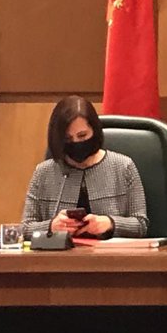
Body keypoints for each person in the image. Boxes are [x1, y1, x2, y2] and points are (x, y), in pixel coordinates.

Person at [20, 95, 149, 240]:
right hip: (60, 254)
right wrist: (51, 226)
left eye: (82, 136)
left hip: (109, 254)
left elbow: (141, 225)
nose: (76, 143)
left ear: (95, 131)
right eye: (68, 139)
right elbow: (25, 229)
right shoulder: (44, 172)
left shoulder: (123, 167)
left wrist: (111, 223)